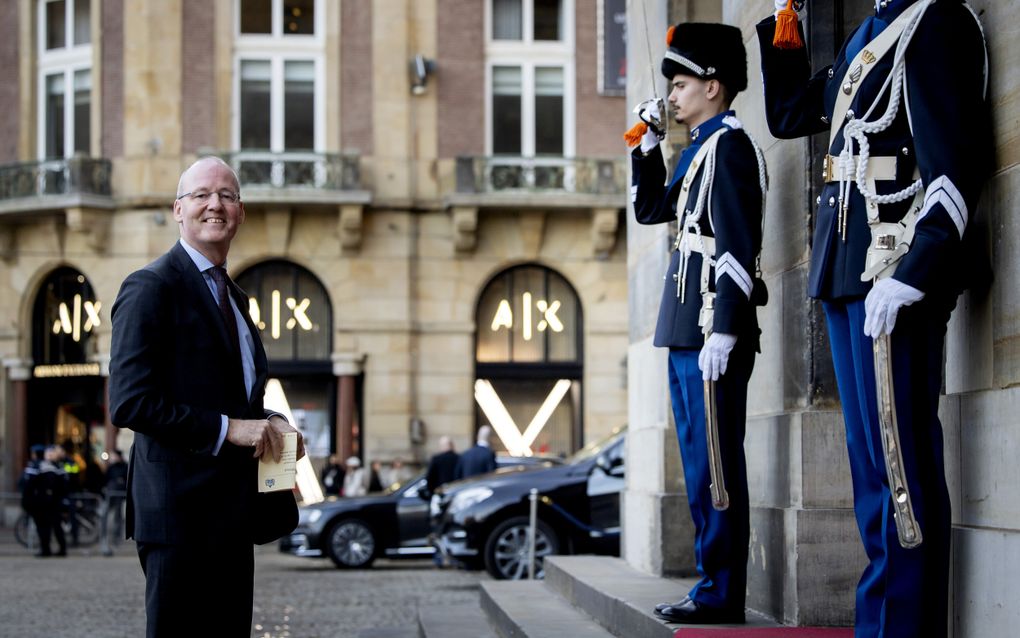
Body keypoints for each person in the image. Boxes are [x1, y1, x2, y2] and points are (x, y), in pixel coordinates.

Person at [756, 2, 991, 636]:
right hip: (847, 263)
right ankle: (879, 621)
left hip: (892, 268)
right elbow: (790, 116)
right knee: (870, 472)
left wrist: (919, 269)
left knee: (900, 466)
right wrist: (785, 32)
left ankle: (905, 626)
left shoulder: (934, 21)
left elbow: (954, 161)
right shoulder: (869, 33)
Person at [109, 156, 305, 638]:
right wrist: (229, 429)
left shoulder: (236, 298)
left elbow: (242, 400)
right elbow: (129, 402)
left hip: (234, 517)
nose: (215, 204)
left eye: (227, 196)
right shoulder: (149, 287)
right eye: (201, 195)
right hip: (178, 518)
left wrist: (274, 422)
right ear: (178, 210)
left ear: (240, 213)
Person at [630, 23, 767, 625]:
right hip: (687, 329)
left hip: (711, 328)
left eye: (681, 86)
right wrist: (644, 146)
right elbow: (652, 209)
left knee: (715, 464)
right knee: (697, 462)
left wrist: (727, 328)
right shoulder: (701, 148)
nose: (673, 98)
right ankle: (713, 583)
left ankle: (721, 591)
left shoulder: (732, 147)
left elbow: (739, 245)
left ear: (714, 87)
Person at [21, 445, 69, 557]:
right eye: (49, 454)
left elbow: (29, 484)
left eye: (52, 454)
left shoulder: (47, 467)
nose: (50, 456)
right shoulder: (49, 466)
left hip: (50, 502)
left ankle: (54, 549)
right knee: (46, 527)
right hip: (46, 502)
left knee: (50, 526)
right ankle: (48, 549)